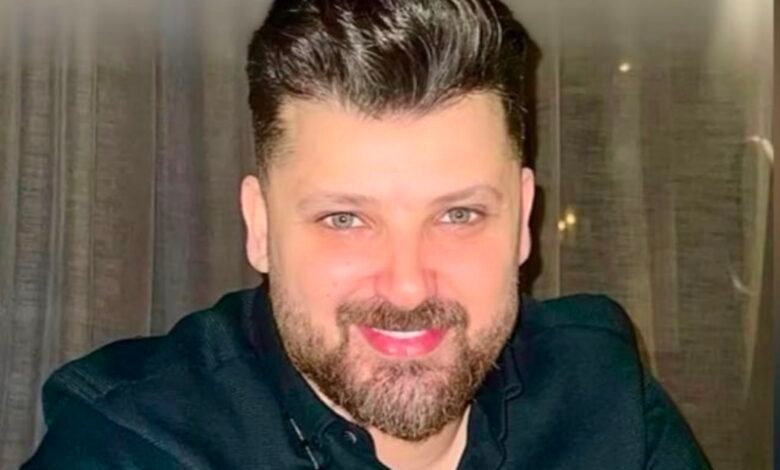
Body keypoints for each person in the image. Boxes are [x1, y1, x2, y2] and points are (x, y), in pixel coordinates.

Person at [23, 0, 710, 468]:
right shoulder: (136, 445)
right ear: (260, 227)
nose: (407, 287)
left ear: (523, 219)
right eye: (344, 219)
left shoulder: (606, 402)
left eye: (458, 215)